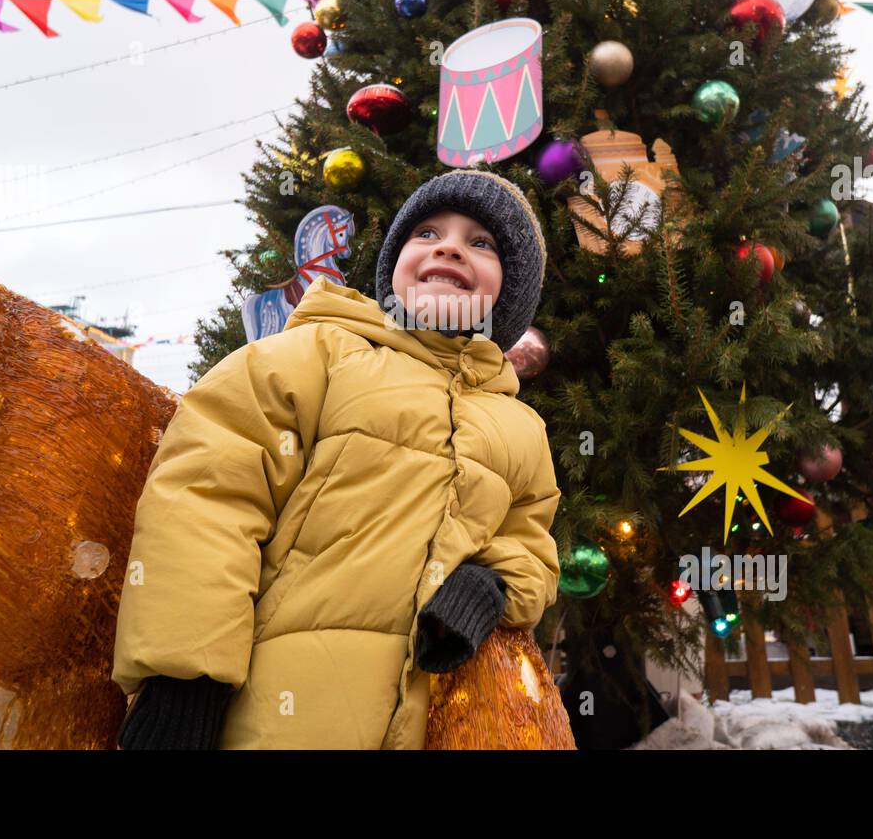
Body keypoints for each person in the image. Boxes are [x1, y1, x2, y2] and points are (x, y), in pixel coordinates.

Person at [112, 169, 561, 749]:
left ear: (511, 295)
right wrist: (184, 675)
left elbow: (531, 545)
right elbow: (206, 499)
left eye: (482, 243)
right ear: (393, 267)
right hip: (269, 717)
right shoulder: (313, 356)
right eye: (426, 233)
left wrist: (491, 583)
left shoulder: (520, 427)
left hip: (419, 723)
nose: (450, 246)